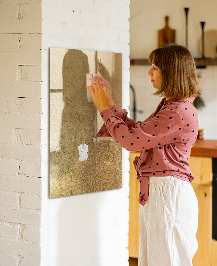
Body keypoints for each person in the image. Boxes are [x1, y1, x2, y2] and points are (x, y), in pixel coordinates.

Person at [87, 44, 200, 266]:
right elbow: (139, 133)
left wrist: (103, 108)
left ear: (171, 71)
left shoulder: (177, 111)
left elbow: (131, 141)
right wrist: (109, 103)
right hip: (162, 193)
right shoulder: (173, 106)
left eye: (155, 67)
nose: (149, 72)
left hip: (168, 195)